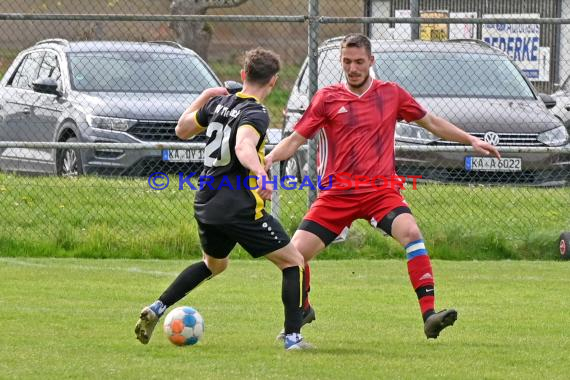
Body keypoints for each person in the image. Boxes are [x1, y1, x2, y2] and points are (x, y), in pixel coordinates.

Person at [266, 34, 501, 339]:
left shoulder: (391, 94)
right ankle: (305, 307)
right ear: (341, 62)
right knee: (294, 256)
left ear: (371, 62)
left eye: (359, 61)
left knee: (412, 233)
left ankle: (430, 315)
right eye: (347, 62)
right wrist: (269, 158)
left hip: (380, 192)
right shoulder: (327, 98)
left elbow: (431, 122)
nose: (353, 68)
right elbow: (296, 139)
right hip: (337, 194)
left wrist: (470, 140)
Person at [135, 48, 312, 350]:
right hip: (238, 206)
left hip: (206, 202)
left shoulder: (218, 103)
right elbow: (243, 146)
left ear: (243, 75)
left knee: (214, 265)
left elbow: (182, 129)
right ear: (274, 82)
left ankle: (158, 307)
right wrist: (260, 173)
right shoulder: (256, 112)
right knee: (294, 262)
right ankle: (293, 339)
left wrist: (206, 94)